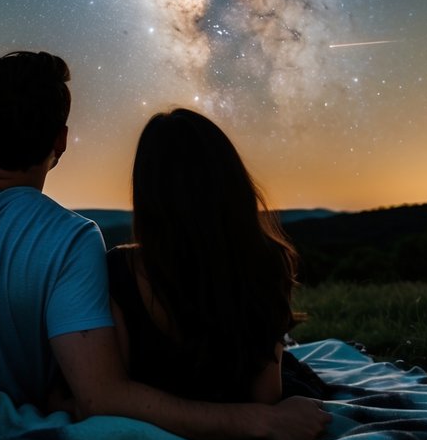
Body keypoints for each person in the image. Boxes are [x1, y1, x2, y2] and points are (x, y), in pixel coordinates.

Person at [0, 51, 329, 440]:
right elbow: (100, 394)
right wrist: (260, 421)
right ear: (61, 139)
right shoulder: (70, 239)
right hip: (0, 427)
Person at [107, 108, 323, 404]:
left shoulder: (119, 270)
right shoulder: (268, 261)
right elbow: (267, 399)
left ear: (146, 193)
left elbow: (112, 389)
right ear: (232, 182)